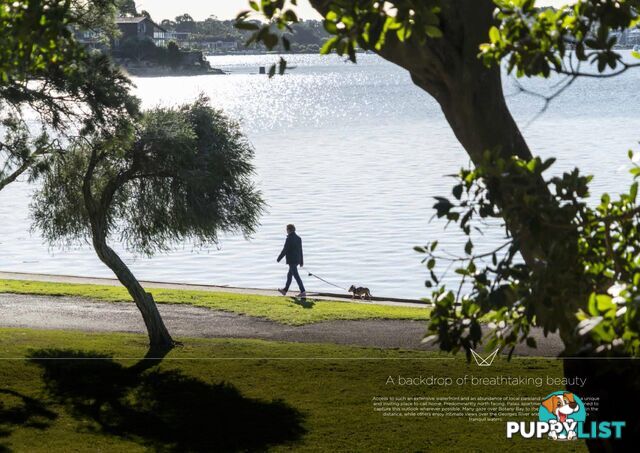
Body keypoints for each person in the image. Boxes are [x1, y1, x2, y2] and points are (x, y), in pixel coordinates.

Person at [277, 224, 306, 296]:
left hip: (292, 260)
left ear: (289, 230)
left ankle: (303, 291)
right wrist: (301, 261)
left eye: (287, 229)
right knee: (289, 275)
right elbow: (300, 250)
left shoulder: (289, 238)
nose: (286, 231)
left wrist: (279, 258)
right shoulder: (299, 238)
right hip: (297, 260)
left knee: (296, 276)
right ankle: (285, 290)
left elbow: (285, 250)